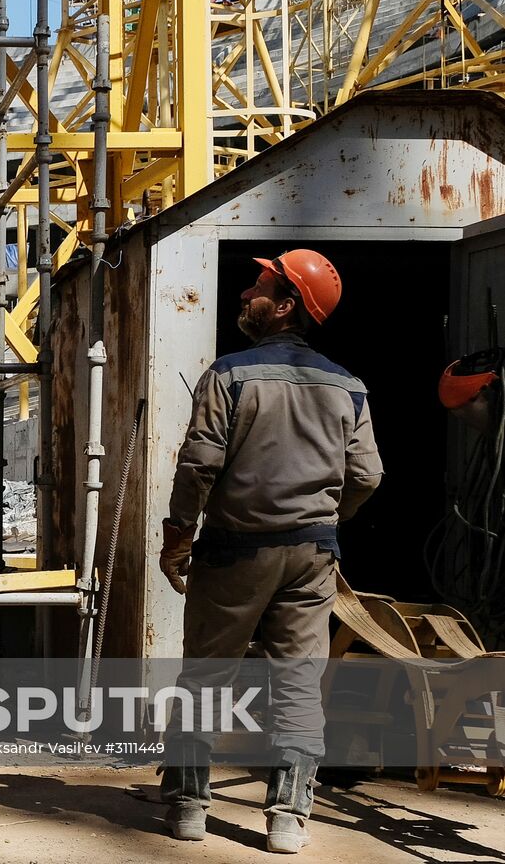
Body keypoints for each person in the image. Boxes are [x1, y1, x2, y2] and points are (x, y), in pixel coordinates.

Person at [157, 250, 382, 854]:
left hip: (235, 552)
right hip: (313, 558)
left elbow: (199, 464)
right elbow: (367, 476)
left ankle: (188, 808)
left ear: (285, 306)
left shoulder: (230, 376)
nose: (243, 295)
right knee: (299, 685)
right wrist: (327, 521)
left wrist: (177, 539)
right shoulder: (349, 386)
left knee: (206, 676)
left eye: (258, 287)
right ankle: (288, 820)